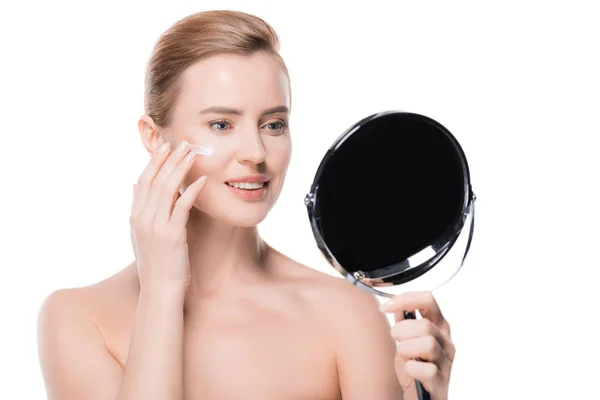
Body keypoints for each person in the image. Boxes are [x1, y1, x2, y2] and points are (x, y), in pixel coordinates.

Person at [36, 10, 455, 400]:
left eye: (274, 125)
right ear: (153, 137)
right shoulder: (78, 320)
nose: (255, 151)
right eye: (221, 125)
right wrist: (162, 292)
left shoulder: (345, 312)